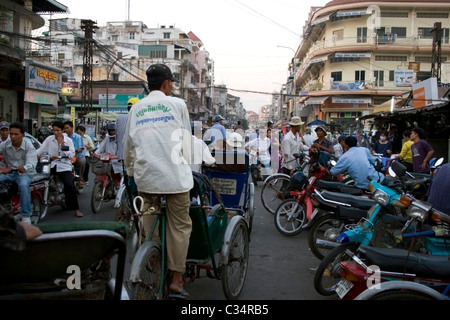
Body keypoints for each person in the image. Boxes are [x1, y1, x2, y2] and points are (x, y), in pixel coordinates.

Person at [123, 63, 193, 299]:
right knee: (180, 226)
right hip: (175, 180)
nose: (171, 86)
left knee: (149, 224)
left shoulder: (136, 108)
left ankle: (151, 263)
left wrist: (132, 171)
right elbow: (186, 142)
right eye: (171, 82)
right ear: (166, 84)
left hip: (148, 181)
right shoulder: (178, 104)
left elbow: (128, 147)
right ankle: (175, 279)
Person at [37, 121, 83, 217]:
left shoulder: (68, 140)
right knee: (40, 180)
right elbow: (41, 150)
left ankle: (76, 209)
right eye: (54, 130)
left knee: (69, 185)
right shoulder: (49, 139)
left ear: (62, 130)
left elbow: (71, 154)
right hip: (51, 164)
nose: (56, 132)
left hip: (64, 165)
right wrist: (34, 154)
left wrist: (62, 146)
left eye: (58, 130)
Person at [0, 122, 37, 224]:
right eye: (11, 134)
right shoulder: (4, 145)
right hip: (10, 173)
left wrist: (24, 168)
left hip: (26, 174)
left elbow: (32, 162)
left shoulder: (29, 145)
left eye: (16, 134)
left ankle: (26, 215)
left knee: (24, 185)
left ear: (23, 135)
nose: (13, 136)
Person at [93, 123, 122, 187]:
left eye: (113, 130)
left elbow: (122, 150)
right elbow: (100, 148)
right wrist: (95, 153)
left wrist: (118, 156)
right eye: (110, 131)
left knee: (120, 180)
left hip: (118, 162)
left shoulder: (120, 139)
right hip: (107, 161)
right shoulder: (107, 139)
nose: (112, 132)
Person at [63, 120, 86, 187]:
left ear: (72, 128)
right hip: (66, 156)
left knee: (81, 161)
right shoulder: (63, 137)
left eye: (67, 128)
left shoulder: (78, 137)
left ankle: (80, 179)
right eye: (65, 128)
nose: (66, 130)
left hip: (77, 156)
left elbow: (80, 148)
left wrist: (73, 152)